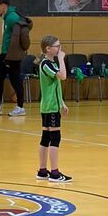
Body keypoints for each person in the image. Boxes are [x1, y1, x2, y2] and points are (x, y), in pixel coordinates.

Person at [0, 0, 28, 117]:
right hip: (5, 53)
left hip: (12, 54)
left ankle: (20, 107)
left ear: (3, 5)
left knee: (15, 79)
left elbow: (24, 32)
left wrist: (18, 50)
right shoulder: (6, 17)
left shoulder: (12, 17)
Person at [37, 35, 72, 182]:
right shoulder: (46, 64)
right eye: (57, 46)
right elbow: (63, 76)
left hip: (51, 105)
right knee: (54, 138)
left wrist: (62, 102)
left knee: (46, 138)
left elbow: (56, 85)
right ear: (48, 48)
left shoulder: (50, 63)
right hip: (50, 106)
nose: (59, 48)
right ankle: (55, 173)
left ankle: (42, 171)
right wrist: (62, 59)